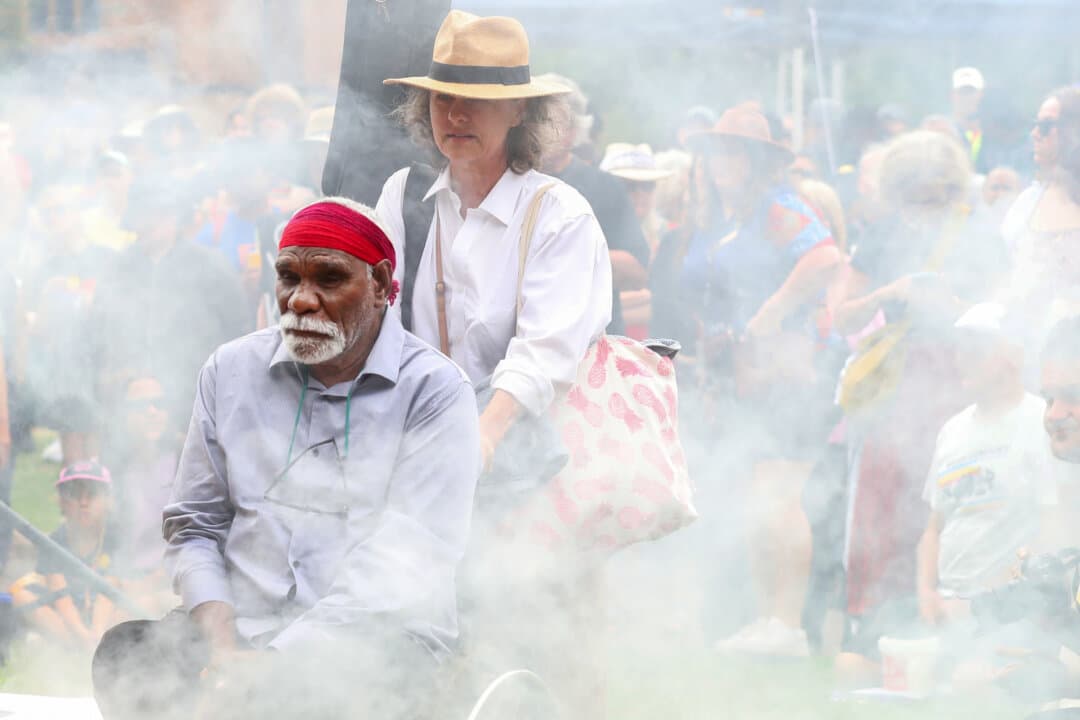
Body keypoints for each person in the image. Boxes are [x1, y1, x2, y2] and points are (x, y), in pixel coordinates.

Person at [92, 197, 481, 720]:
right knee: (128, 656)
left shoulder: (434, 389)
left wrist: (278, 661)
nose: (301, 300)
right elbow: (194, 525)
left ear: (380, 283)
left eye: (328, 278)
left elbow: (409, 557)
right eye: (288, 278)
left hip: (371, 638)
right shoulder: (230, 370)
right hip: (236, 630)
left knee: (303, 695)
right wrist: (223, 642)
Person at [376, 12, 611, 717]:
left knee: (532, 631)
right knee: (419, 624)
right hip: (421, 453)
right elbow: (378, 322)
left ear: (519, 112)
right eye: (444, 97)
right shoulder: (403, 197)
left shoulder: (560, 215)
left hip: (536, 461)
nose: (455, 114)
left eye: (476, 100)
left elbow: (545, 352)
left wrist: (484, 432)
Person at [669, 107, 841, 656]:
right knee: (754, 498)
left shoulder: (779, 209)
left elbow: (825, 259)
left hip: (786, 374)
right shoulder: (719, 219)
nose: (725, 161)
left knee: (777, 495)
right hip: (735, 380)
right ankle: (769, 621)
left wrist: (767, 317)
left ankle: (787, 625)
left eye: (738, 150)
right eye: (719, 149)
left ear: (761, 160)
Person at [836, 304, 1065, 687]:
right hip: (944, 603)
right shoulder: (953, 431)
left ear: (1012, 354)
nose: (961, 359)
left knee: (967, 682)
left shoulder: (1041, 421)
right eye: (958, 348)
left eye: (975, 348)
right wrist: (927, 593)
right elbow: (933, 530)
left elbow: (1054, 525)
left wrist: (998, 595)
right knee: (849, 666)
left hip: (1005, 609)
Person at [90, 175, 249, 424]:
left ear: (175, 218)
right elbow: (99, 329)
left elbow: (238, 331)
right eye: (144, 216)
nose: (149, 223)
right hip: (132, 397)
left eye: (159, 214)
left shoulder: (209, 264)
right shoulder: (118, 268)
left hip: (194, 391)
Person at [537, 72, 647, 336]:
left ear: (573, 130)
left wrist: (562, 255)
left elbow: (636, 271)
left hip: (594, 346)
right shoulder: (510, 184)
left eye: (549, 120)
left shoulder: (606, 187)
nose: (538, 128)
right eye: (533, 118)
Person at [10, 461, 123, 651]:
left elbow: (110, 590)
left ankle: (104, 646)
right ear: (61, 502)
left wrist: (98, 631)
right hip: (68, 615)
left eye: (92, 494)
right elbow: (60, 594)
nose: (83, 503)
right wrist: (81, 634)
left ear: (108, 501)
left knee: (145, 600)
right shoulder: (55, 541)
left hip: (105, 613)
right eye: (74, 495)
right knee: (21, 597)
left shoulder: (114, 538)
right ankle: (77, 650)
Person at [1002, 88, 1080, 357]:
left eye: (1046, 127)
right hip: (1023, 353)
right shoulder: (1026, 203)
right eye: (1036, 125)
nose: (1035, 134)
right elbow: (1003, 277)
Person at [599, 142, 675, 338]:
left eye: (648, 186)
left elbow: (668, 303)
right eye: (629, 186)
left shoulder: (669, 235)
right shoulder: (593, 232)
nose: (640, 194)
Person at [951, 67, 987, 172]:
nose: (966, 97)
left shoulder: (993, 132)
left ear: (981, 94)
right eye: (962, 92)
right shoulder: (944, 131)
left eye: (971, 91)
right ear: (952, 95)